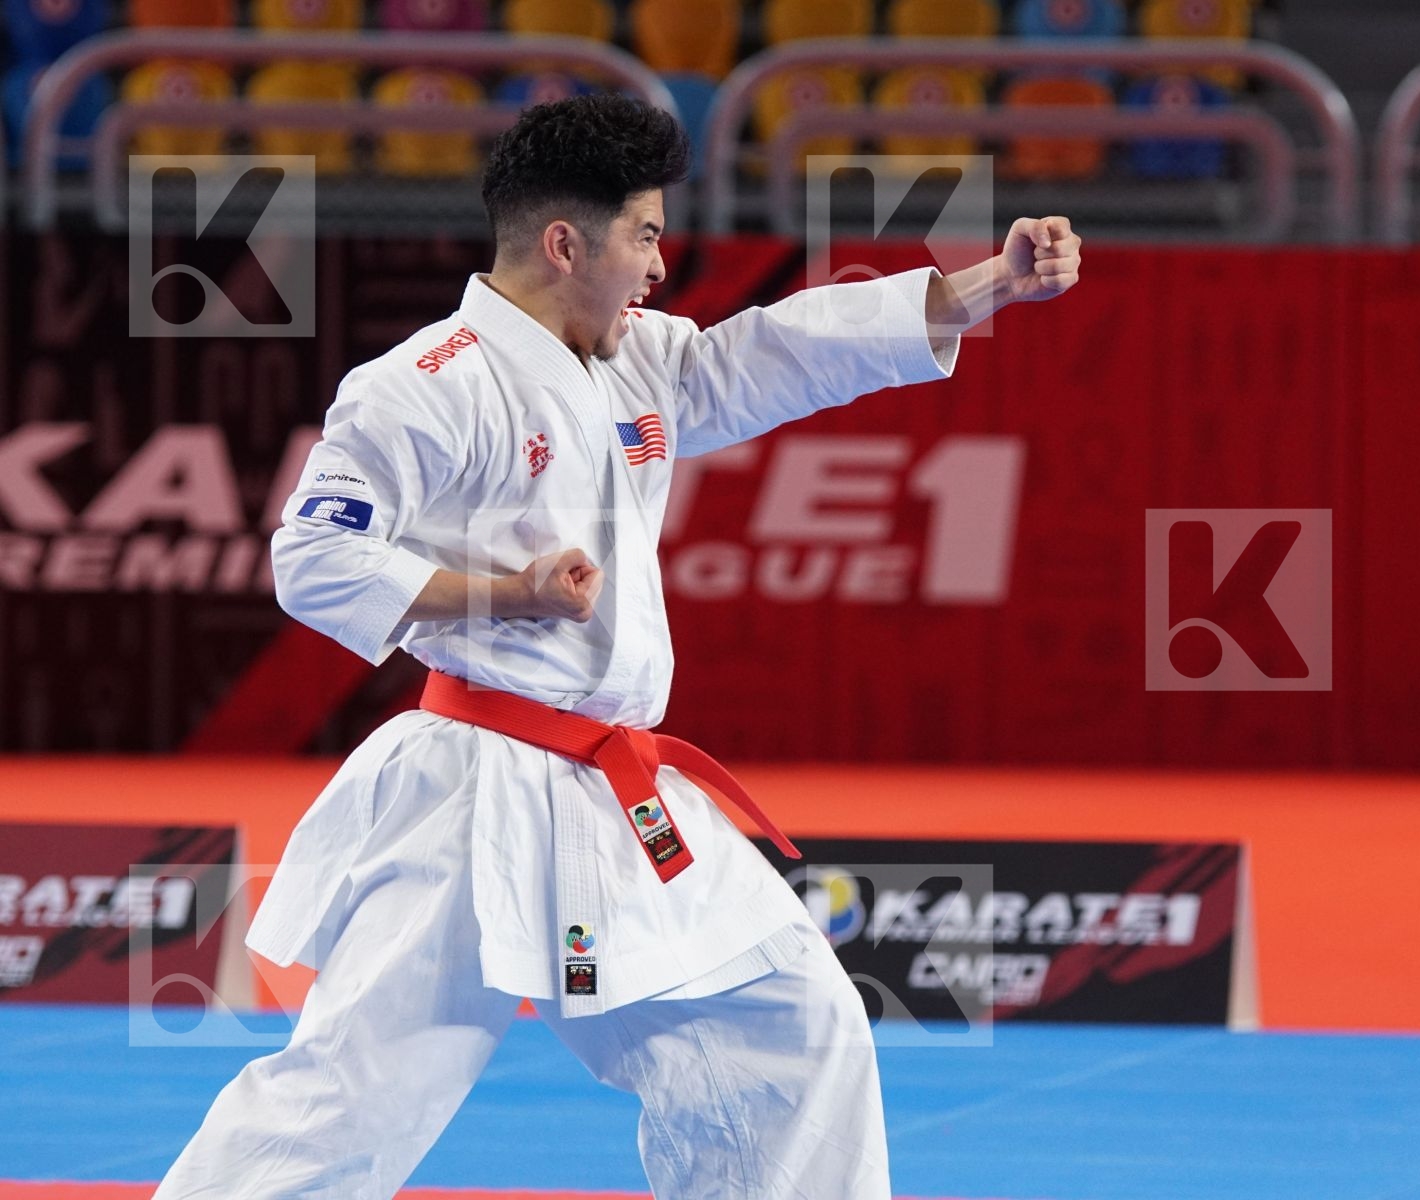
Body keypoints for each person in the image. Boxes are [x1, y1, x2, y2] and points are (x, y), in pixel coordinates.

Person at [154, 93, 1081, 1199]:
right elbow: (311, 557)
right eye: (643, 234)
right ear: (564, 242)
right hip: (473, 791)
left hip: (610, 789)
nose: (657, 262)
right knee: (355, 1096)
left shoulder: (637, 361)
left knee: (789, 1024)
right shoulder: (425, 385)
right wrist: (506, 594)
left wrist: (984, 289)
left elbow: (779, 350)